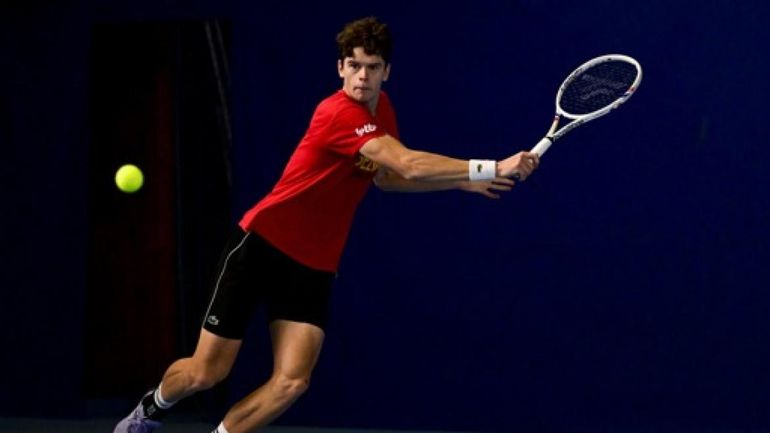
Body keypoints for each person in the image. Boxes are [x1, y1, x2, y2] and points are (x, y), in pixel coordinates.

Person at [113, 15, 539, 433]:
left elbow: (387, 179)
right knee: (207, 372)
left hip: (313, 266)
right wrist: (490, 167)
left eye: (372, 68)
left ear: (387, 72)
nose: (362, 78)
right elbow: (407, 165)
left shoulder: (382, 111)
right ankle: (150, 410)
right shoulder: (337, 113)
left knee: (292, 381)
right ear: (340, 68)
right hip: (261, 245)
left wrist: (460, 183)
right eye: (353, 66)